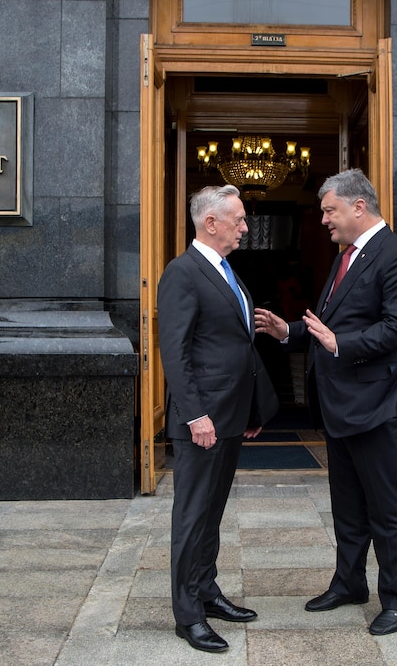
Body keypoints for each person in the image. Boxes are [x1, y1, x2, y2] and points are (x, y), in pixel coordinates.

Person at [254, 169, 397, 636]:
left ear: (358, 206)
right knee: (347, 505)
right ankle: (349, 583)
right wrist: (289, 331)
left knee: (390, 510)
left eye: (330, 210)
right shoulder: (347, 256)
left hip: (378, 406)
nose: (325, 220)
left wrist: (341, 344)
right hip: (340, 406)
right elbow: (330, 322)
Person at [158, 184, 279, 654]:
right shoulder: (182, 273)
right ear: (211, 223)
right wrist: (196, 416)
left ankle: (206, 592)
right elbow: (177, 352)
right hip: (202, 422)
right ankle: (187, 616)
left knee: (211, 514)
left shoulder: (227, 271)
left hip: (229, 417)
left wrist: (247, 410)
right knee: (191, 517)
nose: (246, 228)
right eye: (240, 220)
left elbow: (235, 345)